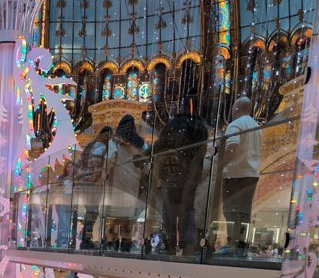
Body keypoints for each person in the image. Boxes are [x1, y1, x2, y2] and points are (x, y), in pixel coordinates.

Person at [152, 113, 208, 255]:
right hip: (180, 183)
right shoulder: (195, 133)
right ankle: (181, 247)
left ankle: (177, 246)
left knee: (177, 217)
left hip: (175, 184)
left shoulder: (171, 134)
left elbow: (157, 153)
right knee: (182, 216)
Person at [221, 96, 262, 254]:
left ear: (236, 109)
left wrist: (222, 164)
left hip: (235, 175)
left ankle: (232, 244)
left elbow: (232, 147)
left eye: (232, 108)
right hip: (252, 174)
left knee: (231, 211)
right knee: (244, 212)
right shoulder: (256, 126)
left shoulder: (236, 124)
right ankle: (242, 245)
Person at [108, 115, 150, 244]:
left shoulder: (114, 141)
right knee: (130, 216)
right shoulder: (140, 143)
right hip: (134, 182)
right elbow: (148, 158)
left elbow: (109, 158)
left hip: (118, 181)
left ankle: (112, 241)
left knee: (116, 214)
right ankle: (126, 241)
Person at [74, 127, 114, 249]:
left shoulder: (88, 147)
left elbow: (77, 166)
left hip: (84, 184)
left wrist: (81, 180)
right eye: (110, 136)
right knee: (92, 212)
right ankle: (86, 239)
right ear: (106, 135)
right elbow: (97, 170)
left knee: (89, 212)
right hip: (93, 186)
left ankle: (86, 238)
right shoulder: (101, 148)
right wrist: (96, 180)